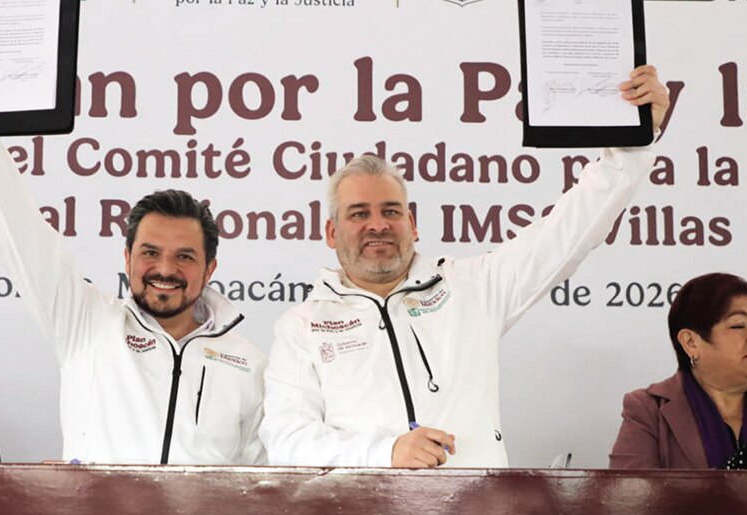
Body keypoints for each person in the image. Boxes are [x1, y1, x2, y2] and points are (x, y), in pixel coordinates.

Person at [260, 66, 670, 468]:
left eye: (391, 210)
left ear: (413, 224)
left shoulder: (471, 287)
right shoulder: (302, 326)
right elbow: (286, 442)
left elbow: (570, 229)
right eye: (358, 214)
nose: (378, 225)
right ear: (331, 233)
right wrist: (385, 453)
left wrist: (633, 142)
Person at [0, 62, 266, 465]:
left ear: (210, 269)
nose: (165, 269)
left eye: (184, 256)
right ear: (127, 258)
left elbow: (255, 483)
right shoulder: (86, 322)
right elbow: (20, 232)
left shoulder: (247, 361)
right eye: (149, 252)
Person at [610, 273, 747, 470]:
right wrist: (731, 475)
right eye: (738, 325)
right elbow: (629, 497)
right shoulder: (648, 410)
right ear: (691, 342)